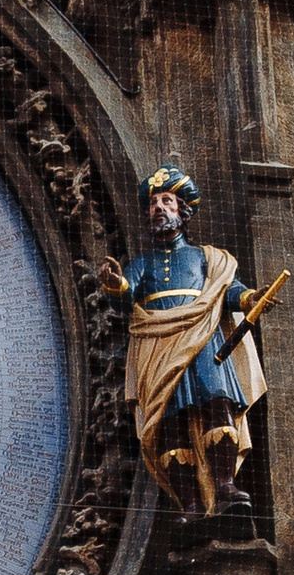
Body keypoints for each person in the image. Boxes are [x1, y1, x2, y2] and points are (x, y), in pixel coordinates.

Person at [98, 160, 264, 515]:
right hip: (158, 345)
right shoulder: (143, 263)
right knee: (168, 422)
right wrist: (116, 284)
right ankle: (188, 502)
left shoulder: (206, 258)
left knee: (218, 403)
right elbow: (127, 297)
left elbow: (227, 290)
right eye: (153, 203)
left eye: (167, 201)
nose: (158, 208)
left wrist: (250, 298)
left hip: (202, 340)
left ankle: (224, 484)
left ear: (182, 210)